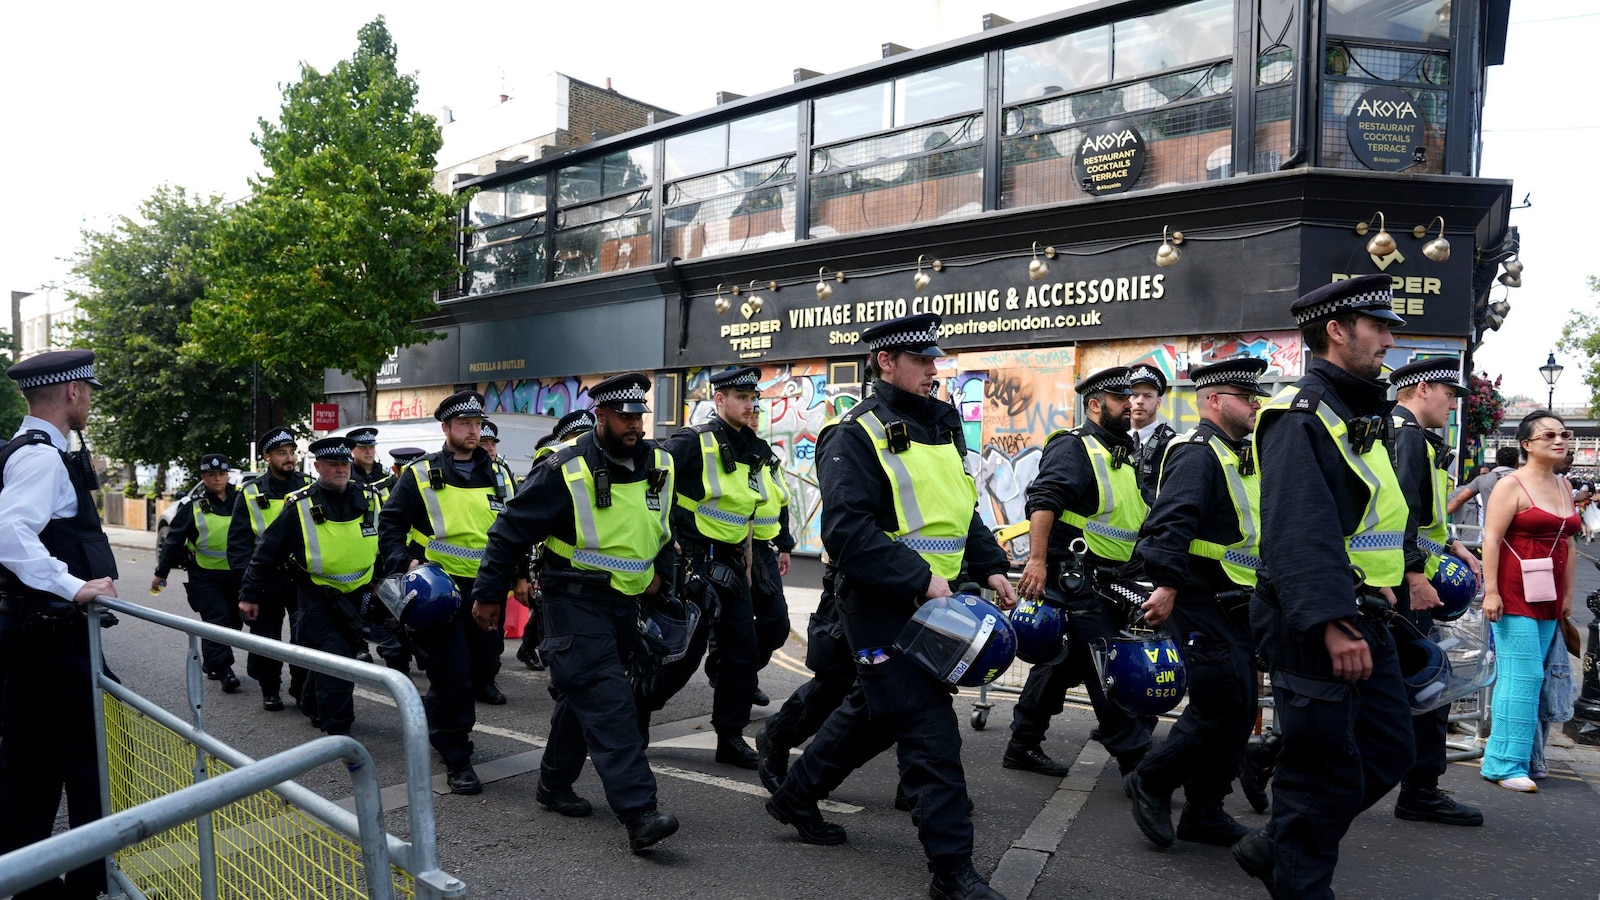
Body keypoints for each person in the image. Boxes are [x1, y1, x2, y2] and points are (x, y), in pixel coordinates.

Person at [766, 314, 1016, 900]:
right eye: (922, 361)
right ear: (886, 361)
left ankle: (797, 794)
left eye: (935, 361)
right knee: (930, 733)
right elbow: (848, 532)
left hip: (937, 603)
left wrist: (993, 568)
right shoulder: (854, 433)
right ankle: (952, 874)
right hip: (882, 605)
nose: (935, 370)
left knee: (876, 713)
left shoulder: (941, 426)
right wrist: (919, 577)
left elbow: (963, 513)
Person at [1232, 274, 1415, 900]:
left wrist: (1395, 576)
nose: (1390, 340)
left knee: (1390, 750)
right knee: (1321, 774)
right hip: (1316, 621)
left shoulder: (1357, 411)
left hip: (1367, 611)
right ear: (1337, 331)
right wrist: (1334, 621)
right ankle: (1298, 877)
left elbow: (1373, 518)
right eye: (1380, 327)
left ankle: (1277, 847)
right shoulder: (1298, 414)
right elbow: (1297, 530)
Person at [471, 373, 680, 851]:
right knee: (609, 703)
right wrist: (488, 594)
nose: (634, 426)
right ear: (600, 417)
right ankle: (639, 812)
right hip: (572, 602)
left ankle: (553, 783)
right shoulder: (565, 469)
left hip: (626, 604)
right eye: (624, 418)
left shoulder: (661, 464)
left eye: (638, 417)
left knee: (581, 696)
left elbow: (666, 528)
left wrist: (664, 579)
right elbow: (509, 531)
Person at [1125, 357, 1269, 850]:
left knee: (1240, 706)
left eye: (1256, 396)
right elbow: (1172, 521)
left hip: (1238, 598)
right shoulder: (1198, 451)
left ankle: (1205, 811)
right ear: (1213, 401)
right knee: (1219, 703)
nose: (1255, 404)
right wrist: (1166, 584)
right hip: (1199, 595)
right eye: (1245, 396)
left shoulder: (1241, 453)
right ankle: (1152, 779)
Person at [0, 350, 120, 900]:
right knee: (90, 762)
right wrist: (74, 586)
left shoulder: (25, 449)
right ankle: (87, 884)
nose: (90, 400)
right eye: (88, 391)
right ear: (72, 392)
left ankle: (29, 880)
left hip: (34, 635)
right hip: (52, 638)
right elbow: (10, 534)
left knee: (33, 766)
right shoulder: (42, 458)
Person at [1008, 365, 1151, 779]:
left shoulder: (1120, 452)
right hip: (1076, 574)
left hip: (1110, 576)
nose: (1131, 405)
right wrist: (1035, 561)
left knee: (1063, 662)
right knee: (1105, 663)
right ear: (1094, 405)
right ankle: (1136, 761)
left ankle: (1022, 743)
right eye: (1121, 399)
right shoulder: (1075, 446)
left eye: (1134, 398)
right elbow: (1043, 501)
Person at [641, 366, 776, 768]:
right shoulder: (692, 442)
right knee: (682, 654)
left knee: (741, 653)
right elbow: (651, 484)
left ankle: (730, 737)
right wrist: (669, 539)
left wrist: (752, 563)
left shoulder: (753, 446)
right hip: (691, 561)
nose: (749, 405)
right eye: (740, 398)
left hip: (731, 563)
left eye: (753, 398)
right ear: (719, 400)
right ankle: (638, 713)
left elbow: (748, 511)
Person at [379, 390, 506, 794]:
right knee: (453, 676)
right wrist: (407, 563)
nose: (474, 431)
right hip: (441, 591)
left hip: (487, 589)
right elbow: (392, 525)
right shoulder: (419, 474)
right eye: (465, 424)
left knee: (483, 668)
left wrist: (518, 576)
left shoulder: (499, 474)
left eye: (478, 424)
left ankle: (435, 720)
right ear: (446, 428)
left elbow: (512, 531)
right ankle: (457, 758)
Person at [1386, 357, 1484, 825]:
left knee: (1403, 684)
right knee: (1426, 682)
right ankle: (1420, 790)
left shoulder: (1418, 439)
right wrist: (1414, 576)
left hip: (1403, 580)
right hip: (1402, 586)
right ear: (1422, 389)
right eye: (1449, 393)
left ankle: (1277, 756)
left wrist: (1453, 545)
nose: (1453, 404)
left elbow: (1421, 516)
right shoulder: (1404, 434)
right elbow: (1398, 512)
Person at [240, 437, 379, 736]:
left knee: (338, 661)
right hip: (318, 599)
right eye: (332, 465)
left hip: (360, 597)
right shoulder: (300, 506)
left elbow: (385, 541)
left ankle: (312, 699)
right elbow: (267, 551)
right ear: (317, 467)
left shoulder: (371, 498)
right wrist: (250, 594)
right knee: (337, 664)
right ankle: (339, 733)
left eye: (344, 464)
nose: (340, 470)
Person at [1480, 411, 1581, 791]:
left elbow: (1568, 542)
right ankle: (1506, 764)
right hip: (1513, 592)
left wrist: (1568, 594)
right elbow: (1490, 539)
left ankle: (1517, 758)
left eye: (1564, 433)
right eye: (1549, 434)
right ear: (1526, 444)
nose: (1560, 440)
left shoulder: (1564, 485)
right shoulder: (1511, 485)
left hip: (1549, 595)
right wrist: (1491, 591)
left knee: (1530, 677)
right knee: (1524, 676)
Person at [229, 426, 311, 712]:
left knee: (305, 636)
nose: (289, 459)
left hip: (301, 576)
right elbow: (238, 545)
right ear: (267, 457)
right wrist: (247, 587)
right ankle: (270, 688)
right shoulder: (250, 493)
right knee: (266, 637)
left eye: (291, 453)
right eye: (281, 454)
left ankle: (301, 688)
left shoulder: (309, 486)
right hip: (266, 579)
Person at [153, 453, 244, 694]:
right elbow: (173, 541)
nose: (217, 479)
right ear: (203, 477)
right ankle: (225, 669)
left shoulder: (242, 501)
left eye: (221, 474)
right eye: (211, 475)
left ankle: (213, 662)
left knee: (234, 622)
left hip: (237, 574)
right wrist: (161, 573)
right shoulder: (193, 506)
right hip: (205, 575)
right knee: (218, 619)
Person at [514, 409, 596, 672]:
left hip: (586, 560)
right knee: (546, 608)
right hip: (550, 552)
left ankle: (536, 649)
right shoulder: (552, 461)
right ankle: (534, 649)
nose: (585, 439)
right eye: (577, 435)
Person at [1128, 362, 1176, 505]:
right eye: (1134, 395)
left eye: (1148, 396)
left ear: (1158, 402)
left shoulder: (1172, 444)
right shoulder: (1111, 440)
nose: (1140, 402)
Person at [1447, 446, 1518, 530]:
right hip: (1522, 533)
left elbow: (1458, 500)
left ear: (1497, 462)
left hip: (1491, 532)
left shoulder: (1482, 479)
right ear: (1517, 462)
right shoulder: (1527, 479)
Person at [479, 419, 520, 497]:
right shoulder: (469, 467)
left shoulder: (503, 467)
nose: (490, 448)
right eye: (483, 444)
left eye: (493, 444)